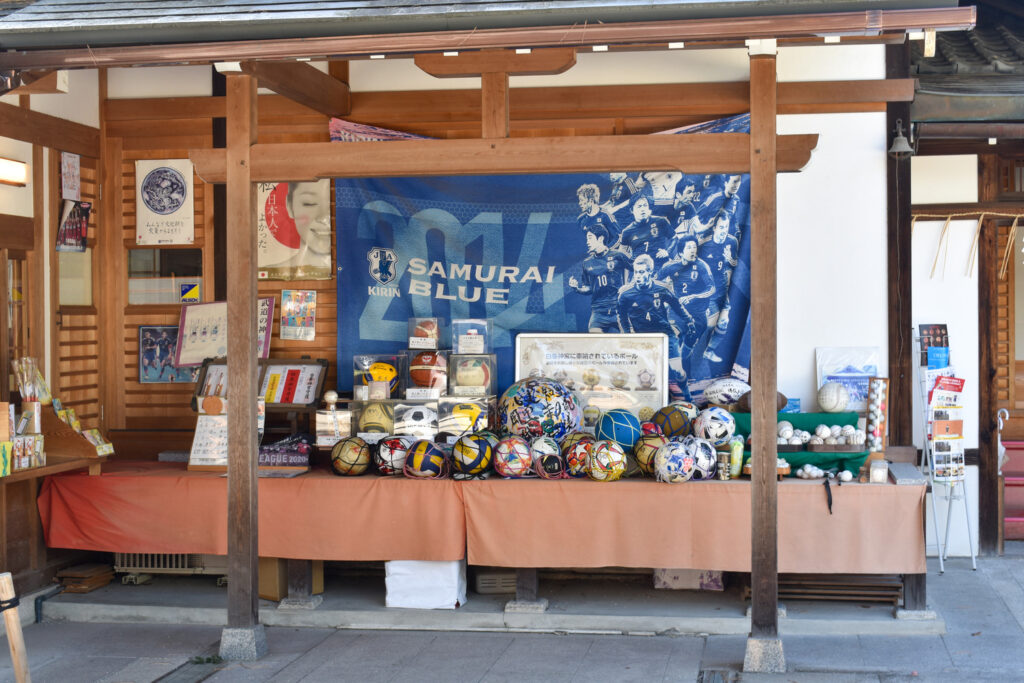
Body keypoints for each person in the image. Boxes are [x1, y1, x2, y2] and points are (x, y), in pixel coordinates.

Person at [617, 254, 694, 398]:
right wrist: (627, 334)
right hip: (642, 338)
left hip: (665, 334)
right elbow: (621, 316)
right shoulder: (626, 294)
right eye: (636, 272)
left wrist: (689, 320)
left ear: (650, 272)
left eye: (641, 272)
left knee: (677, 371)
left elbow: (677, 306)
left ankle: (687, 394)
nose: (637, 276)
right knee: (643, 373)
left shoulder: (662, 288)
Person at [262, 180, 332, 279]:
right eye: (309, 203)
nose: (324, 217)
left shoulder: (357, 275)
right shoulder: (268, 274)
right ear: (289, 206)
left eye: (334, 204)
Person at [568, 225, 633, 332]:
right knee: (595, 341)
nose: (587, 242)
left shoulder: (618, 255)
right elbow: (588, 288)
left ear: (601, 238)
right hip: (598, 311)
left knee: (628, 343)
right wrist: (577, 288)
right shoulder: (587, 263)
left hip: (619, 308)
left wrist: (630, 285)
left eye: (590, 238)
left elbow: (636, 267)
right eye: (587, 239)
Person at [658, 236, 714, 355]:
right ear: (680, 252)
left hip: (698, 312)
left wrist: (693, 297)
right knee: (674, 339)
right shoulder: (670, 266)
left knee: (689, 344)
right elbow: (656, 282)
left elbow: (712, 288)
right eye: (689, 248)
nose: (693, 250)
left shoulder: (702, 266)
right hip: (678, 311)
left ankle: (685, 360)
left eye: (694, 247)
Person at [620, 196, 672, 271]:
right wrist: (633, 262)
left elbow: (674, 238)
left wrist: (668, 251)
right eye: (639, 206)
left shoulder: (661, 221)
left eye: (645, 205)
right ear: (632, 210)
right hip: (641, 271)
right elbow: (622, 253)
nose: (642, 209)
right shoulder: (627, 231)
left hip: (661, 267)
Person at [576, 183, 621, 247]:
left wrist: (607, 250)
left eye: (582, 200)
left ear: (591, 200)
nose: (579, 203)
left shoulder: (605, 216)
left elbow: (618, 237)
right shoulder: (581, 219)